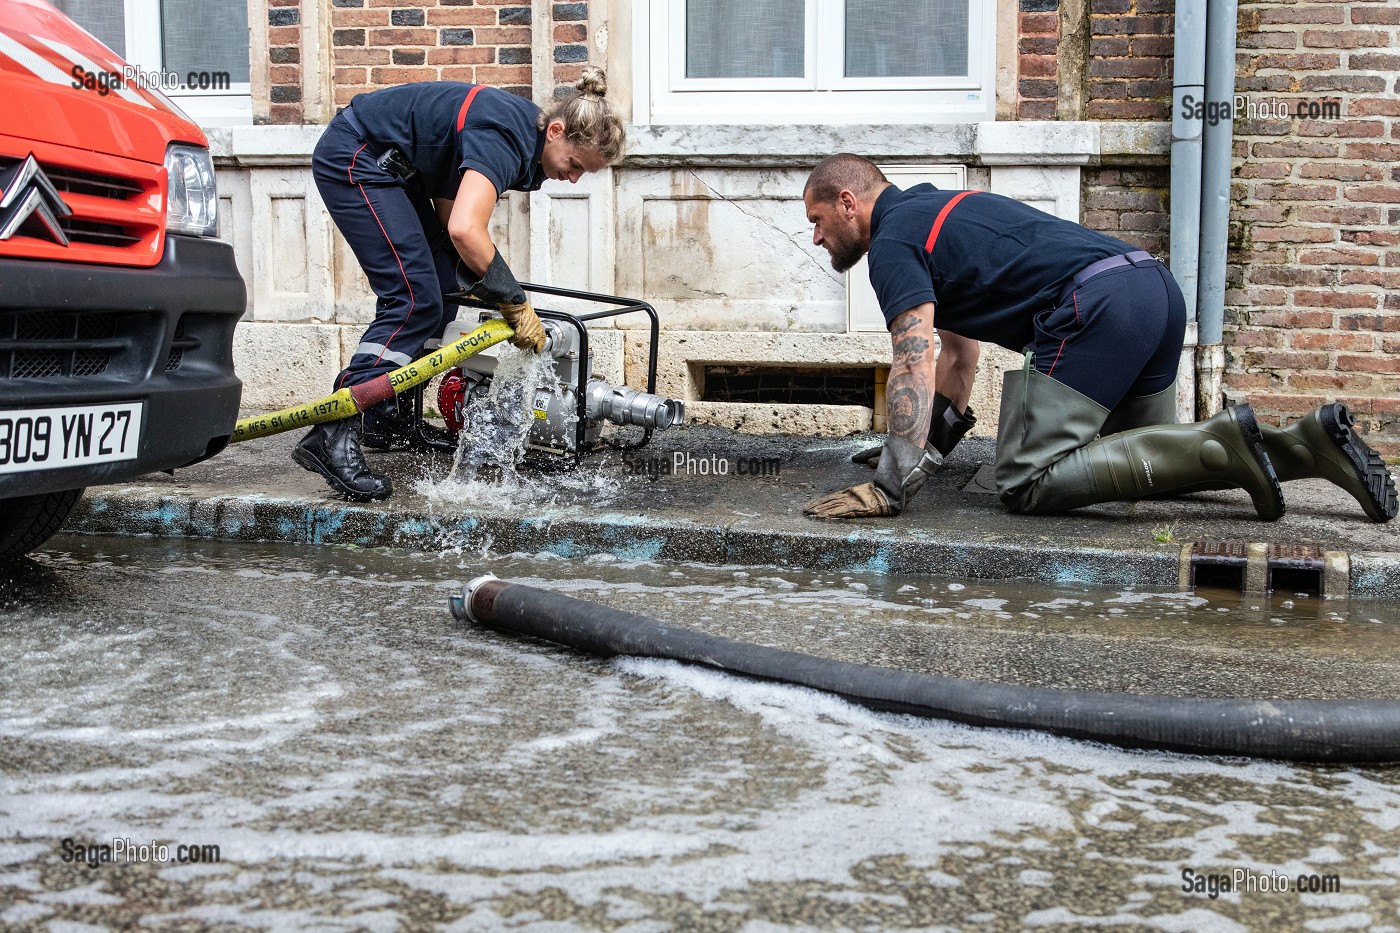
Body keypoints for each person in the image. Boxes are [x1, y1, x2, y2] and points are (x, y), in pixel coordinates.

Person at [800, 154, 1397, 524]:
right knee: (1152, 462)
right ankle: (1308, 445)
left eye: (817, 222)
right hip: (1152, 291)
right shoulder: (938, 212)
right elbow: (957, 354)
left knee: (1026, 482)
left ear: (848, 203)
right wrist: (923, 454)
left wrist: (890, 486)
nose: (818, 238)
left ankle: (1221, 437)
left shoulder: (894, 242)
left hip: (1097, 309)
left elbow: (912, 359)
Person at [292, 68, 626, 500]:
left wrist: (476, 278)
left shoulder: (524, 134)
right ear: (557, 131)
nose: (574, 178)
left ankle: (383, 415)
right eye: (576, 164)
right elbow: (467, 230)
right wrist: (514, 299)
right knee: (414, 300)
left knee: (440, 293)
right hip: (356, 156)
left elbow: (452, 209)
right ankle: (335, 428)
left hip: (393, 168)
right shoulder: (508, 138)